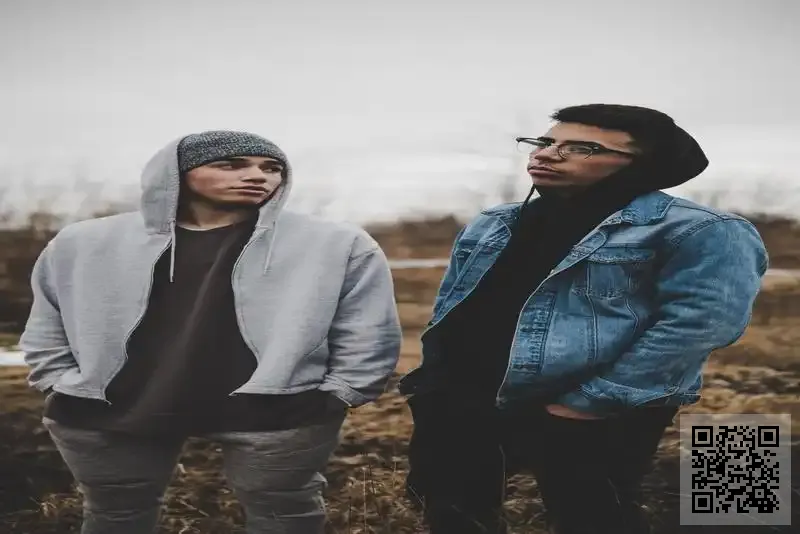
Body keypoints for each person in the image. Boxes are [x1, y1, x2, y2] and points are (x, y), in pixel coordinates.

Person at [398, 104, 768, 534]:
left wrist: (591, 402)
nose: (547, 154)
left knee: (596, 517)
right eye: (545, 142)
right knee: (452, 513)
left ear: (640, 164)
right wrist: (437, 383)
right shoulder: (493, 223)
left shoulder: (704, 228)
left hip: (596, 407)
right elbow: (453, 308)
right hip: (466, 398)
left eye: (580, 148)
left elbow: (700, 324)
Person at [19, 130, 403, 534]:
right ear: (176, 173)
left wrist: (340, 392)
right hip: (110, 408)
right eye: (231, 165)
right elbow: (47, 320)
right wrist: (59, 380)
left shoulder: (337, 243)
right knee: (115, 514)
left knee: (283, 514)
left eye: (271, 168)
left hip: (278, 409)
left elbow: (368, 329)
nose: (257, 176)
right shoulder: (83, 242)